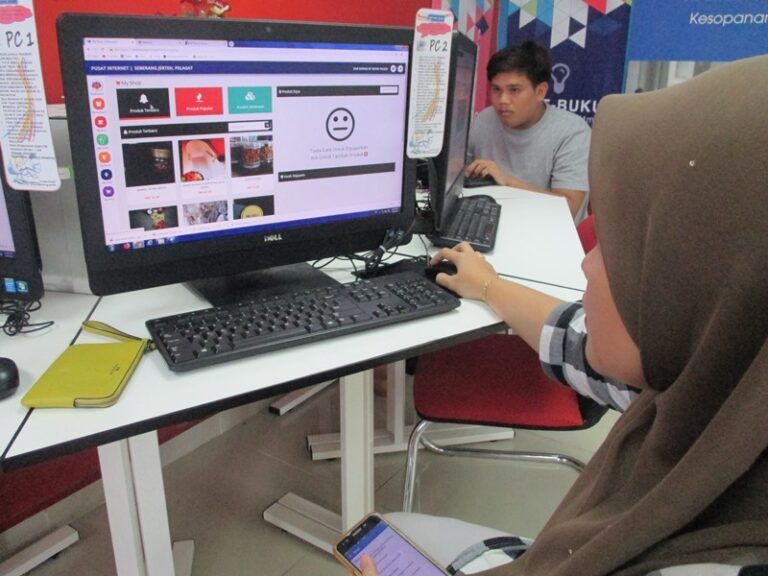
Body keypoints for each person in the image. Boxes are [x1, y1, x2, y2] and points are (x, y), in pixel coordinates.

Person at [355, 54, 768, 576]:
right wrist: (488, 285)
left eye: (617, 249)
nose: (587, 262)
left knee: (385, 540)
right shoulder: (719, 382)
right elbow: (573, 338)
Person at [465, 42, 591, 222]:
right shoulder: (484, 119)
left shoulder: (573, 132)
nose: (503, 100)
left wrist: (507, 181)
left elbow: (568, 208)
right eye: (496, 89)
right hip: (492, 222)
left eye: (514, 90)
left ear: (540, 92)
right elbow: (460, 177)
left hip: (549, 230)